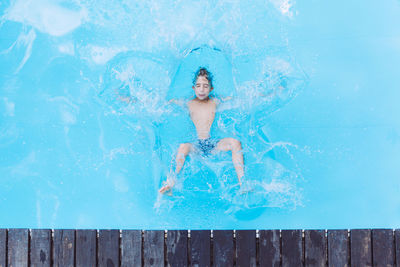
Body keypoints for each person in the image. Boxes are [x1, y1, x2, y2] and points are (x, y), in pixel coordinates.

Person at [159, 67, 244, 194]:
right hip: (197, 145)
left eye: (205, 86)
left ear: (211, 89)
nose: (202, 89)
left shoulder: (215, 100)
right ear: (193, 88)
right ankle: (170, 183)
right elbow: (161, 104)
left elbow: (241, 100)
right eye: (198, 86)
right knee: (183, 147)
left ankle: (243, 184)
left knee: (235, 142)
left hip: (213, 144)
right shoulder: (188, 102)